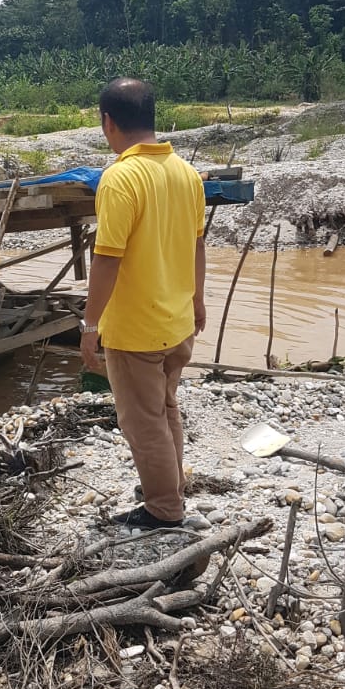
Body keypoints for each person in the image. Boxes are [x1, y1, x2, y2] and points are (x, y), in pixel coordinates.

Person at [80, 78, 207, 530]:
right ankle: (170, 487)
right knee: (166, 408)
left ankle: (164, 508)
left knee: (143, 422)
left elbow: (107, 259)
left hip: (136, 328)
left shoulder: (120, 177)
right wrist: (199, 300)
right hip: (177, 321)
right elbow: (197, 246)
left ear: (108, 122)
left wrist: (90, 325)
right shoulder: (186, 172)